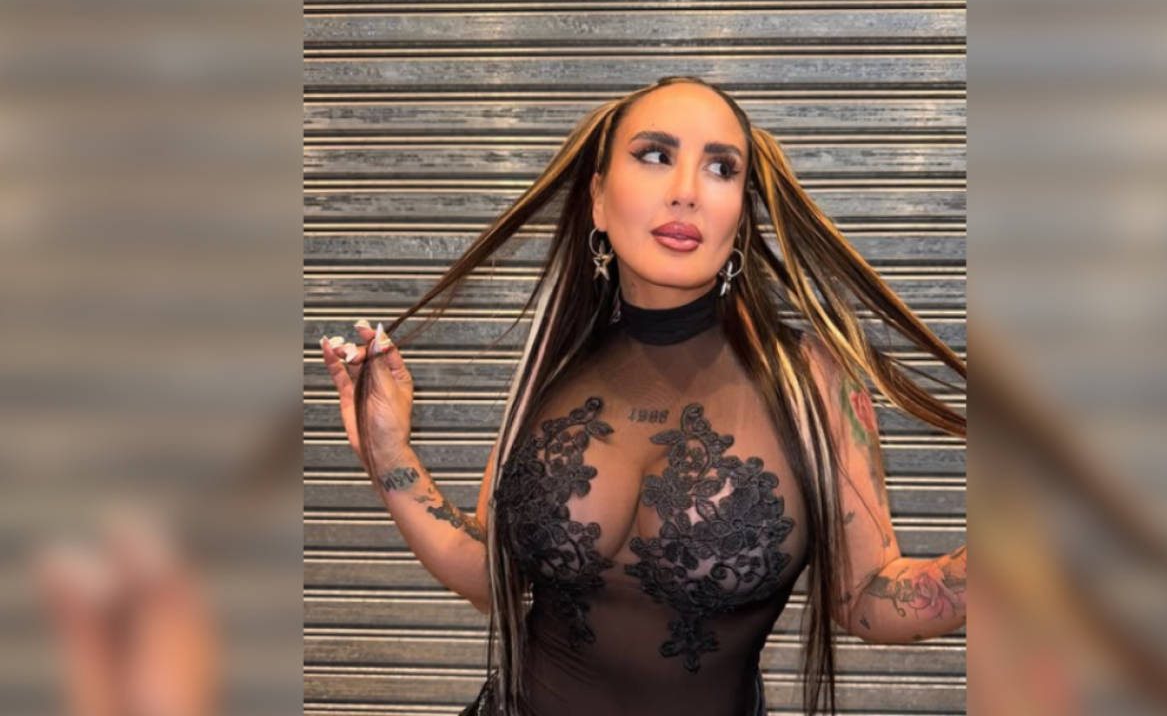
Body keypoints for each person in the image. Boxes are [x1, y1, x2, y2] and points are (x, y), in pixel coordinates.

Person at [319, 76, 967, 716]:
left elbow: (867, 597)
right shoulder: (557, 363)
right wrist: (389, 452)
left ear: (740, 215)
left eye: (721, 168)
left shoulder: (810, 380)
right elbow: (489, 577)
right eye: (655, 155)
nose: (686, 191)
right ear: (599, 199)